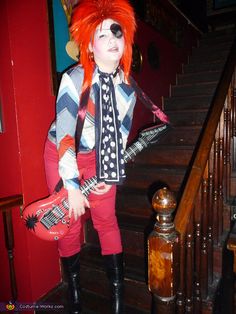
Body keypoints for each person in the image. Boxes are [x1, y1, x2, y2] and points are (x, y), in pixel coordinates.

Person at [44, 1, 169, 313]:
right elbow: (66, 137)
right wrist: (72, 186)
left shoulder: (127, 88)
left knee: (106, 219)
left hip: (100, 156)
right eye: (103, 34)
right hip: (62, 154)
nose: (113, 39)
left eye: (117, 32)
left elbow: (120, 136)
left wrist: (108, 173)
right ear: (89, 43)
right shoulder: (73, 79)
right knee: (69, 222)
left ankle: (117, 295)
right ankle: (73, 292)